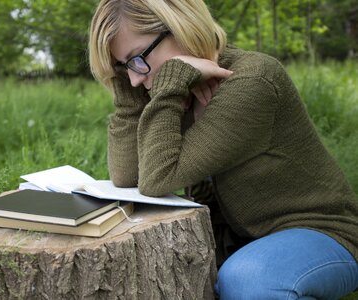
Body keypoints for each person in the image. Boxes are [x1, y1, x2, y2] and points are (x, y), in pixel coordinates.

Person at [88, 0, 358, 299]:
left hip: (321, 234)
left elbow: (156, 179)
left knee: (248, 280)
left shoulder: (252, 80)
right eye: (124, 67)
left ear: (180, 28)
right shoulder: (177, 88)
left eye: (138, 59)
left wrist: (169, 85)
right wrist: (128, 90)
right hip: (243, 240)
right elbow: (127, 175)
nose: (137, 78)